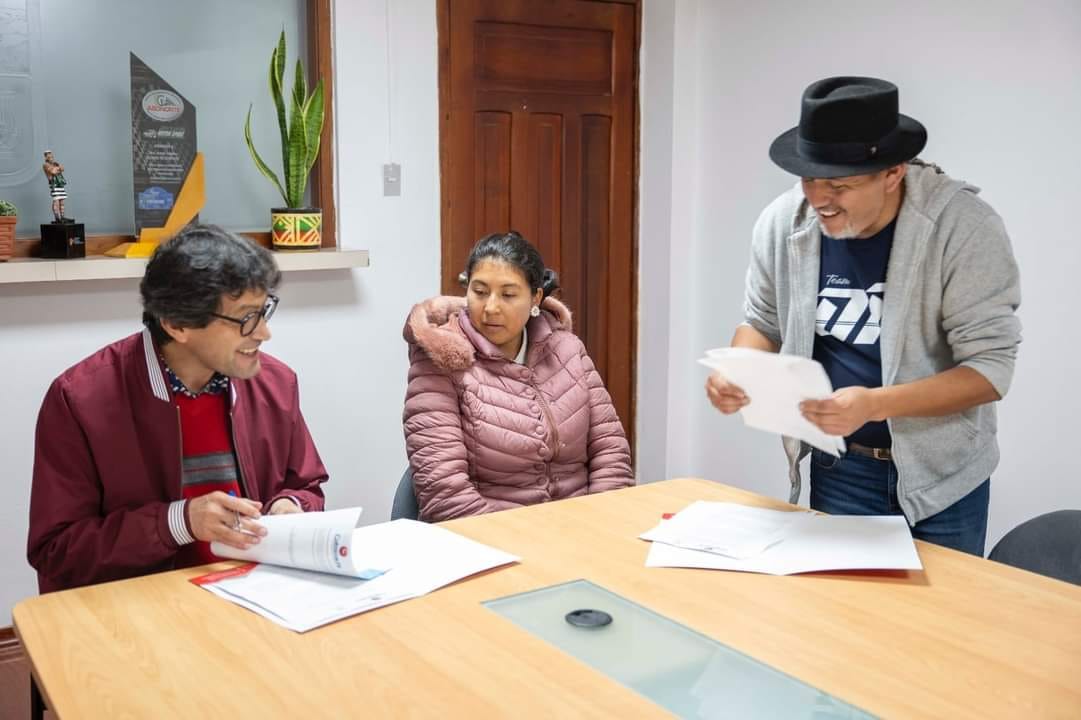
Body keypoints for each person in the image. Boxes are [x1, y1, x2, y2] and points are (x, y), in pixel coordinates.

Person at [705, 77, 1021, 555]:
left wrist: (874, 405)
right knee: (838, 601)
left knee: (941, 605)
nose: (819, 199)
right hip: (840, 466)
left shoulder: (963, 228)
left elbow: (989, 371)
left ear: (892, 173)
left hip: (943, 477)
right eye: (810, 180)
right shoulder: (783, 222)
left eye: (840, 185)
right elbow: (763, 321)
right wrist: (740, 369)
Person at [27, 224, 328, 592]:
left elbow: (306, 485)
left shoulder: (276, 384)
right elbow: (57, 550)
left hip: (254, 595)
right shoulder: (80, 400)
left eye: (264, 310)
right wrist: (178, 523)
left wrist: (291, 506)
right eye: (246, 318)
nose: (264, 332)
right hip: (140, 607)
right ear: (177, 324)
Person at [403, 231, 633, 521]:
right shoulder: (441, 360)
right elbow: (445, 493)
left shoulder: (568, 350)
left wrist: (599, 520)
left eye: (508, 295)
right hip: (490, 532)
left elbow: (611, 452)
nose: (491, 307)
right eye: (479, 291)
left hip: (584, 526)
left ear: (536, 297)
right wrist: (518, 538)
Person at [42, 150, 69, 222]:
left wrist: (57, 169)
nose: (51, 158)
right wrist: (57, 169)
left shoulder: (55, 163)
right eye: (49, 156)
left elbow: (62, 168)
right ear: (46, 157)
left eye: (51, 156)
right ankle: (57, 217)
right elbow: (53, 172)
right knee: (56, 200)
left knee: (62, 200)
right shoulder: (45, 165)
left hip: (60, 183)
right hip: (54, 183)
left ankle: (62, 217)